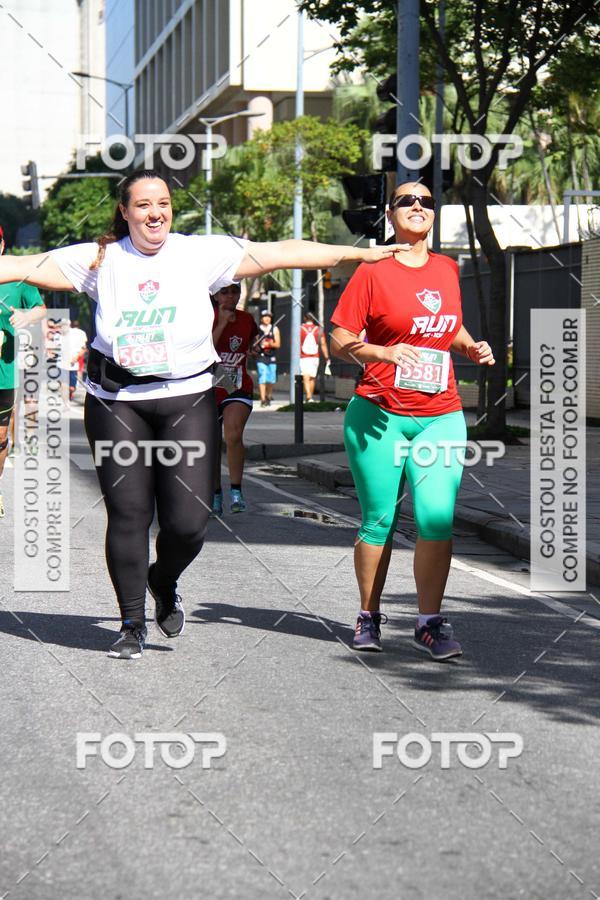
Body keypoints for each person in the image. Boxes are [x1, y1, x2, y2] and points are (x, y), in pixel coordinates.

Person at [0, 168, 408, 659]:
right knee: (129, 514)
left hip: (187, 400)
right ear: (125, 211)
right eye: (144, 204)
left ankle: (163, 579)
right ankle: (131, 623)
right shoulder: (98, 258)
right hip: (117, 402)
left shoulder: (198, 253)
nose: (156, 212)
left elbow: (279, 251)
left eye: (164, 203)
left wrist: (361, 252)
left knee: (189, 523)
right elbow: (17, 265)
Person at [330, 182, 494, 660]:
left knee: (436, 520)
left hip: (440, 414)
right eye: (407, 201)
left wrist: (470, 345)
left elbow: (449, 325)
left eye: (426, 201)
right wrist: (383, 352)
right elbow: (339, 338)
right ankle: (368, 614)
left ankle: (429, 623)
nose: (418, 207)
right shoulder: (373, 270)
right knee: (379, 520)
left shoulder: (446, 268)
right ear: (390, 213)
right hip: (378, 415)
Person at [0, 225, 46, 517]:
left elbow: (40, 308)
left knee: (0, 437)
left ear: (2, 244)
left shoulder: (18, 275)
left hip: (4, 370)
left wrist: (27, 315)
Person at [211, 281, 258, 515]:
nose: (231, 296)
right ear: (216, 295)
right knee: (209, 442)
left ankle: (236, 490)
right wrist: (220, 324)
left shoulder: (247, 319)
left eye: (235, 291)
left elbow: (250, 343)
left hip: (235, 386)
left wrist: (252, 350)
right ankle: (215, 494)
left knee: (233, 433)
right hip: (208, 386)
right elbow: (204, 349)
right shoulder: (204, 316)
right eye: (225, 292)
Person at [300, 310, 330, 402]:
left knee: (305, 376)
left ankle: (308, 397)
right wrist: (326, 357)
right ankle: (310, 397)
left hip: (303, 356)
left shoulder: (299, 328)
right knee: (312, 377)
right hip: (315, 357)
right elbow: (323, 344)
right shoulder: (319, 329)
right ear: (314, 319)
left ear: (304, 318)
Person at [58, 318, 88, 405]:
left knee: (72, 388)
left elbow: (83, 348)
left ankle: (70, 393)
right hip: (62, 364)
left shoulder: (77, 334)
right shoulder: (59, 335)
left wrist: (76, 357)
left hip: (73, 365)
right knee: (64, 384)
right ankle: (65, 402)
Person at [254, 309, 280, 407]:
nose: (267, 319)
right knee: (262, 376)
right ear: (261, 318)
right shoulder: (257, 329)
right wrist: (259, 345)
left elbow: (278, 344)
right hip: (261, 357)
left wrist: (269, 343)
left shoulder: (274, 329)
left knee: (271, 378)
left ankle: (268, 395)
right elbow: (254, 343)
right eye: (265, 316)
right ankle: (263, 399)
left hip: (271, 357)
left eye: (269, 317)